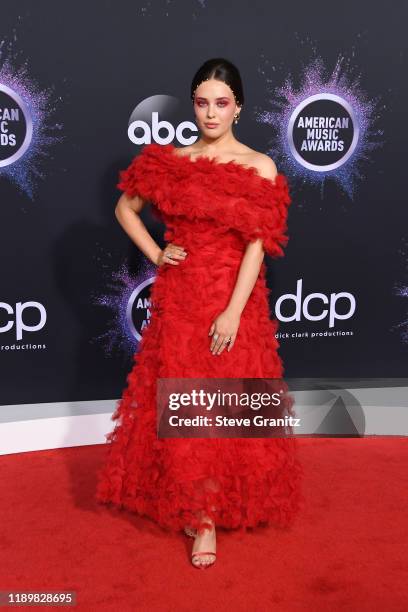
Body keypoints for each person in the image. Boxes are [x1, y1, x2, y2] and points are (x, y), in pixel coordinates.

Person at [96, 57, 303, 569]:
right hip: (181, 298)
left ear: (239, 108)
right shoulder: (172, 160)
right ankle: (202, 516)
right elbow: (126, 208)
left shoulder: (260, 166)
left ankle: (214, 503)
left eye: (222, 103)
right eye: (203, 102)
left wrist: (233, 311)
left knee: (227, 403)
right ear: (193, 105)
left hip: (236, 299)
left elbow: (258, 244)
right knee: (186, 402)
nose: (211, 113)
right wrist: (156, 254)